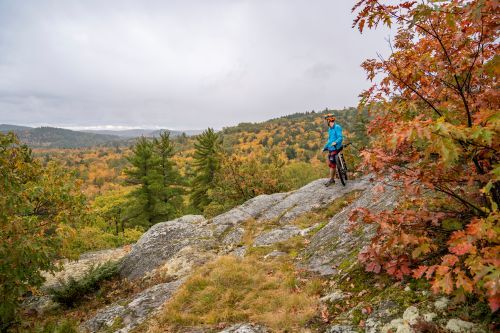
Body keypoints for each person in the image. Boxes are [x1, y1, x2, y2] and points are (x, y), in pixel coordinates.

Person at [322, 113, 343, 186]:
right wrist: (325, 147)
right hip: (331, 147)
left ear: (329, 121)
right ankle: (335, 172)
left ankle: (332, 180)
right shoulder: (330, 129)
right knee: (329, 159)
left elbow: (340, 137)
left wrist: (335, 142)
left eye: (326, 121)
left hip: (336, 147)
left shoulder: (337, 127)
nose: (325, 122)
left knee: (332, 162)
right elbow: (329, 140)